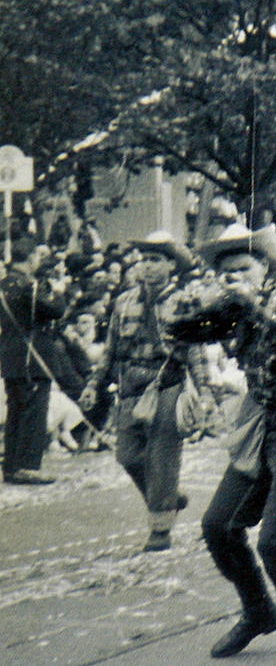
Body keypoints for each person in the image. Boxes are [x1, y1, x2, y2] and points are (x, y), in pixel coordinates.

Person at [167, 223, 276, 666]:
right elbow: (182, 331)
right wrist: (189, 302)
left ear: (265, 269)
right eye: (227, 272)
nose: (235, 278)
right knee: (219, 526)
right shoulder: (234, 305)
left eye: (243, 268)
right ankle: (259, 612)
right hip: (265, 421)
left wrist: (247, 302)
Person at [78, 231, 213, 551]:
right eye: (145, 261)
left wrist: (206, 393)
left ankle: (160, 530)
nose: (148, 267)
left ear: (171, 266)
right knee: (126, 454)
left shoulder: (184, 302)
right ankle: (165, 497)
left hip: (167, 383)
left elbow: (195, 351)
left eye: (156, 261)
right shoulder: (123, 301)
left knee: (162, 458)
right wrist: (93, 385)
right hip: (129, 386)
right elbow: (110, 349)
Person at [0, 235, 67, 485]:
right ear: (30, 258)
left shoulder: (3, 284)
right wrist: (59, 292)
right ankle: (28, 466)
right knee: (33, 413)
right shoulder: (30, 286)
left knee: (16, 411)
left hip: (10, 357)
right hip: (33, 357)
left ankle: (11, 467)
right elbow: (55, 311)